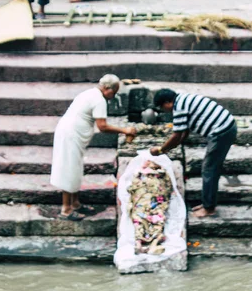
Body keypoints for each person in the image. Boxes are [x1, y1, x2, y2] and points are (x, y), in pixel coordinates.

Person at [50, 74, 136, 221]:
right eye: (114, 92)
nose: (113, 96)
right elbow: (102, 126)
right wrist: (125, 130)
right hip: (71, 135)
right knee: (69, 169)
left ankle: (75, 203)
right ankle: (66, 209)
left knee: (76, 168)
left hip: (69, 133)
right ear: (108, 89)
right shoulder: (99, 100)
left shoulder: (89, 93)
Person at [150, 89, 237, 219]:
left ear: (168, 102)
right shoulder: (182, 98)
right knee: (210, 167)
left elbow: (176, 135)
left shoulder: (178, 107)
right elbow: (184, 132)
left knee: (209, 169)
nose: (165, 111)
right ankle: (207, 203)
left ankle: (209, 208)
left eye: (163, 107)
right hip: (226, 127)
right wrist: (174, 145)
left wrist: (161, 150)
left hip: (221, 132)